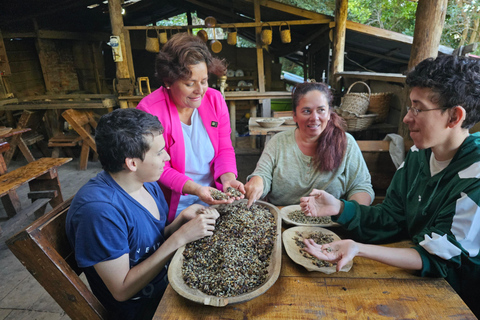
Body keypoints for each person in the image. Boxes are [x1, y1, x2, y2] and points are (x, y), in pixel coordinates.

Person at [300, 55, 480, 317]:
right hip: (415, 287)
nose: (407, 118)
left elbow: (444, 258)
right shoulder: (419, 156)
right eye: (409, 107)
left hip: (457, 300)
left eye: (418, 108)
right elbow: (391, 217)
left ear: (454, 116)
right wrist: (339, 207)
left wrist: (359, 249)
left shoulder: (474, 176)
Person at [66, 108, 220, 320]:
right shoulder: (99, 212)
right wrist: (180, 237)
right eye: (159, 152)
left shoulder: (145, 183)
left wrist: (181, 220)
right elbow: (121, 290)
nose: (167, 157)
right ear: (132, 163)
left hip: (164, 281)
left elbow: (147, 243)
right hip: (142, 308)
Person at [137, 32, 245, 222]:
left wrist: (227, 179)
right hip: (173, 204)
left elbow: (224, 148)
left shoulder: (215, 100)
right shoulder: (150, 110)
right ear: (168, 82)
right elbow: (159, 166)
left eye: (204, 81)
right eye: (189, 83)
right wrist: (196, 189)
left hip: (213, 198)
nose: (200, 90)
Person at [244, 81, 374, 207]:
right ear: (294, 115)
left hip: (331, 223)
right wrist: (258, 181)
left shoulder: (345, 143)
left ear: (329, 114)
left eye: (321, 110)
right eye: (306, 111)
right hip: (282, 220)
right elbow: (263, 175)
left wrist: (349, 212)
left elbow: (360, 186)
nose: (314, 117)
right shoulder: (278, 142)